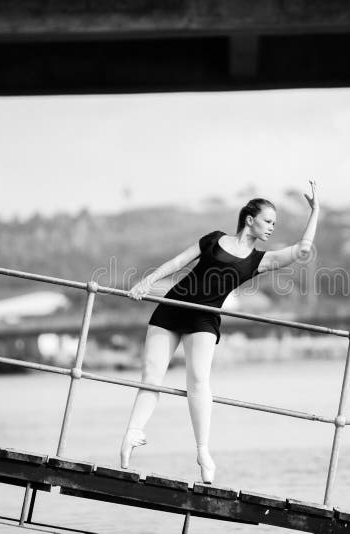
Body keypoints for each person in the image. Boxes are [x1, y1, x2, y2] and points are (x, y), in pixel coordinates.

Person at [122, 180, 319, 483]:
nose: (271, 228)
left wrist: (315, 211)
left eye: (274, 223)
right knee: (151, 374)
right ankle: (133, 433)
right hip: (171, 307)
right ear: (249, 219)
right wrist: (147, 282)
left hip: (204, 320)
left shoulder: (260, 260)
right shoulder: (214, 239)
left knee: (198, 381)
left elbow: (303, 250)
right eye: (268, 221)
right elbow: (177, 262)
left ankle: (203, 452)